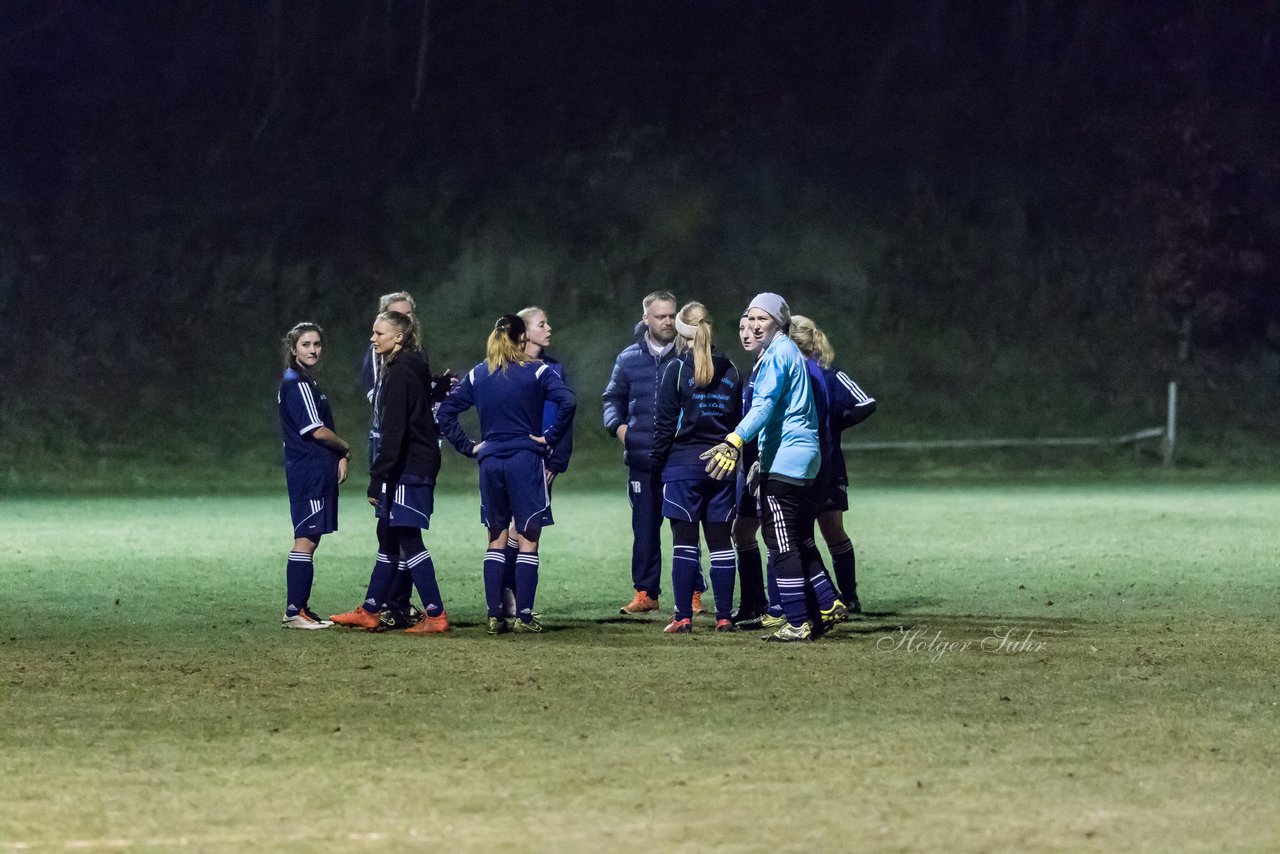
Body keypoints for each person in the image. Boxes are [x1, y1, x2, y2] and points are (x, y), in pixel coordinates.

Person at [702, 293, 846, 642]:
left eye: (761, 319)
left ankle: (797, 621)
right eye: (749, 318)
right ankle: (824, 605)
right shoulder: (784, 353)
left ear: (778, 323)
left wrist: (735, 441)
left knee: (780, 541)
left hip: (788, 460)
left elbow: (764, 407)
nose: (753, 325)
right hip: (797, 457)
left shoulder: (777, 355)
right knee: (796, 537)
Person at [437, 314, 576, 635]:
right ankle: (524, 617)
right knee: (527, 538)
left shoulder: (479, 374)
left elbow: (445, 411)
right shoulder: (537, 370)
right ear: (522, 339)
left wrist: (468, 447)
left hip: (490, 462)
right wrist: (550, 437)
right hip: (525, 460)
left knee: (496, 537)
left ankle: (494, 615)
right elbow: (568, 400)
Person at [330, 310, 450, 634]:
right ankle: (370, 610)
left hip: (409, 467)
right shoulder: (403, 368)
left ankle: (436, 615)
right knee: (389, 537)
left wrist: (378, 478)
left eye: (379, 333)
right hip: (408, 465)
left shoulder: (400, 373)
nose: (373, 338)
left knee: (409, 539)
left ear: (399, 338)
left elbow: (395, 431)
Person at [602, 291, 707, 616]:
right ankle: (646, 592)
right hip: (642, 460)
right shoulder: (628, 358)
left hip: (679, 460)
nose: (667, 321)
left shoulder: (691, 357)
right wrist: (621, 431)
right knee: (644, 529)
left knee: (685, 526)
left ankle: (691, 593)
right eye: (660, 316)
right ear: (645, 318)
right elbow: (611, 400)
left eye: (671, 315)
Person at [650, 302, 742, 632]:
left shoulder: (675, 369)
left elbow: (663, 427)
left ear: (681, 329)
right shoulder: (730, 368)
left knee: (685, 544)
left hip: (683, 467)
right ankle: (725, 617)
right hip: (721, 467)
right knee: (720, 544)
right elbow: (738, 422)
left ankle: (682, 616)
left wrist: (655, 468)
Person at [789, 315, 878, 614]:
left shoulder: (829, 374)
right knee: (802, 532)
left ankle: (848, 596)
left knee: (830, 531)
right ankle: (823, 596)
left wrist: (834, 424)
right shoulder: (788, 373)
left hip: (827, 465)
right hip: (801, 465)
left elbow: (866, 403)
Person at [496, 306, 575, 616]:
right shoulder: (508, 368)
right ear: (524, 333)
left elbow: (566, 416)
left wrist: (557, 461)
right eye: (542, 324)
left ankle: (514, 599)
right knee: (512, 530)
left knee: (527, 530)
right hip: (516, 459)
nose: (549, 328)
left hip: (544, 462)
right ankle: (509, 599)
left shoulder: (555, 369)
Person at [277, 322, 351, 629]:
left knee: (311, 537)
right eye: (306, 345)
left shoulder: (305, 381)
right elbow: (316, 430)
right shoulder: (298, 384)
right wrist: (345, 448)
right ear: (293, 349)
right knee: (305, 538)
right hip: (309, 471)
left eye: (317, 344)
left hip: (312, 470)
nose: (313, 350)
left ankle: (301, 609)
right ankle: (294, 611)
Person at [729, 313, 770, 628]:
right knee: (742, 531)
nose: (747, 333)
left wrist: (759, 461)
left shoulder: (772, 366)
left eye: (753, 327)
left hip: (764, 464)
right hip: (749, 463)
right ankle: (753, 604)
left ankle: (783, 606)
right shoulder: (755, 369)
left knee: (776, 534)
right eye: (742, 328)